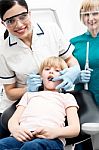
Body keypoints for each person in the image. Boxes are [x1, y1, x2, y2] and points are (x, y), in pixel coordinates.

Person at [0, 0, 80, 138]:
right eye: (10, 21)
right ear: (3, 23)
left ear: (30, 14)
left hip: (50, 104)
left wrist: (75, 70)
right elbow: (10, 93)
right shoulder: (3, 49)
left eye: (22, 16)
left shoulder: (51, 30)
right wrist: (27, 89)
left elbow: (69, 59)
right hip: (19, 108)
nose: (19, 25)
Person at [70, 0, 99, 149]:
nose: (90, 18)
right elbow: (64, 71)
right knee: (84, 143)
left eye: (95, 13)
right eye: (86, 14)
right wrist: (77, 76)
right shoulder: (74, 43)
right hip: (84, 102)